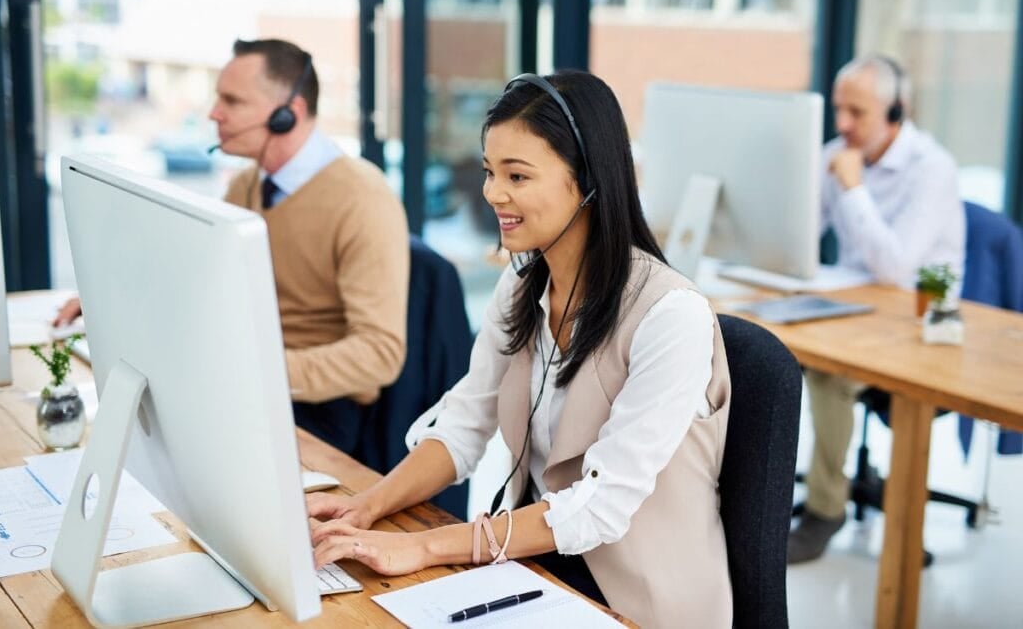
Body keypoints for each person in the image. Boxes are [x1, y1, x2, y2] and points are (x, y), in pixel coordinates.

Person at [304, 70, 734, 628]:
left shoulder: (671, 315)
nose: (492, 193)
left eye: (517, 175)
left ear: (588, 178)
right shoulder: (524, 282)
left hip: (643, 604)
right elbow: (465, 422)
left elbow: (600, 506)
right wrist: (367, 506)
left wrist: (425, 545)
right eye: (490, 171)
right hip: (537, 571)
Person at [56, 39, 410, 455]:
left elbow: (380, 354)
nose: (213, 113)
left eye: (232, 101)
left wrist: (254, 372)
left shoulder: (363, 199)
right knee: (110, 443)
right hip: (239, 391)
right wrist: (112, 301)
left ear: (287, 114)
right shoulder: (247, 185)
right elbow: (204, 278)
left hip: (314, 415)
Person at [787, 55, 965, 564]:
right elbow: (801, 235)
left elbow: (896, 269)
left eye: (857, 112)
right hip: (851, 312)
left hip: (921, 320)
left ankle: (826, 509)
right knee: (760, 349)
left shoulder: (932, 169)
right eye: (838, 109)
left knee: (829, 372)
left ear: (896, 112)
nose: (842, 124)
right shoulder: (838, 154)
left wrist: (853, 188)